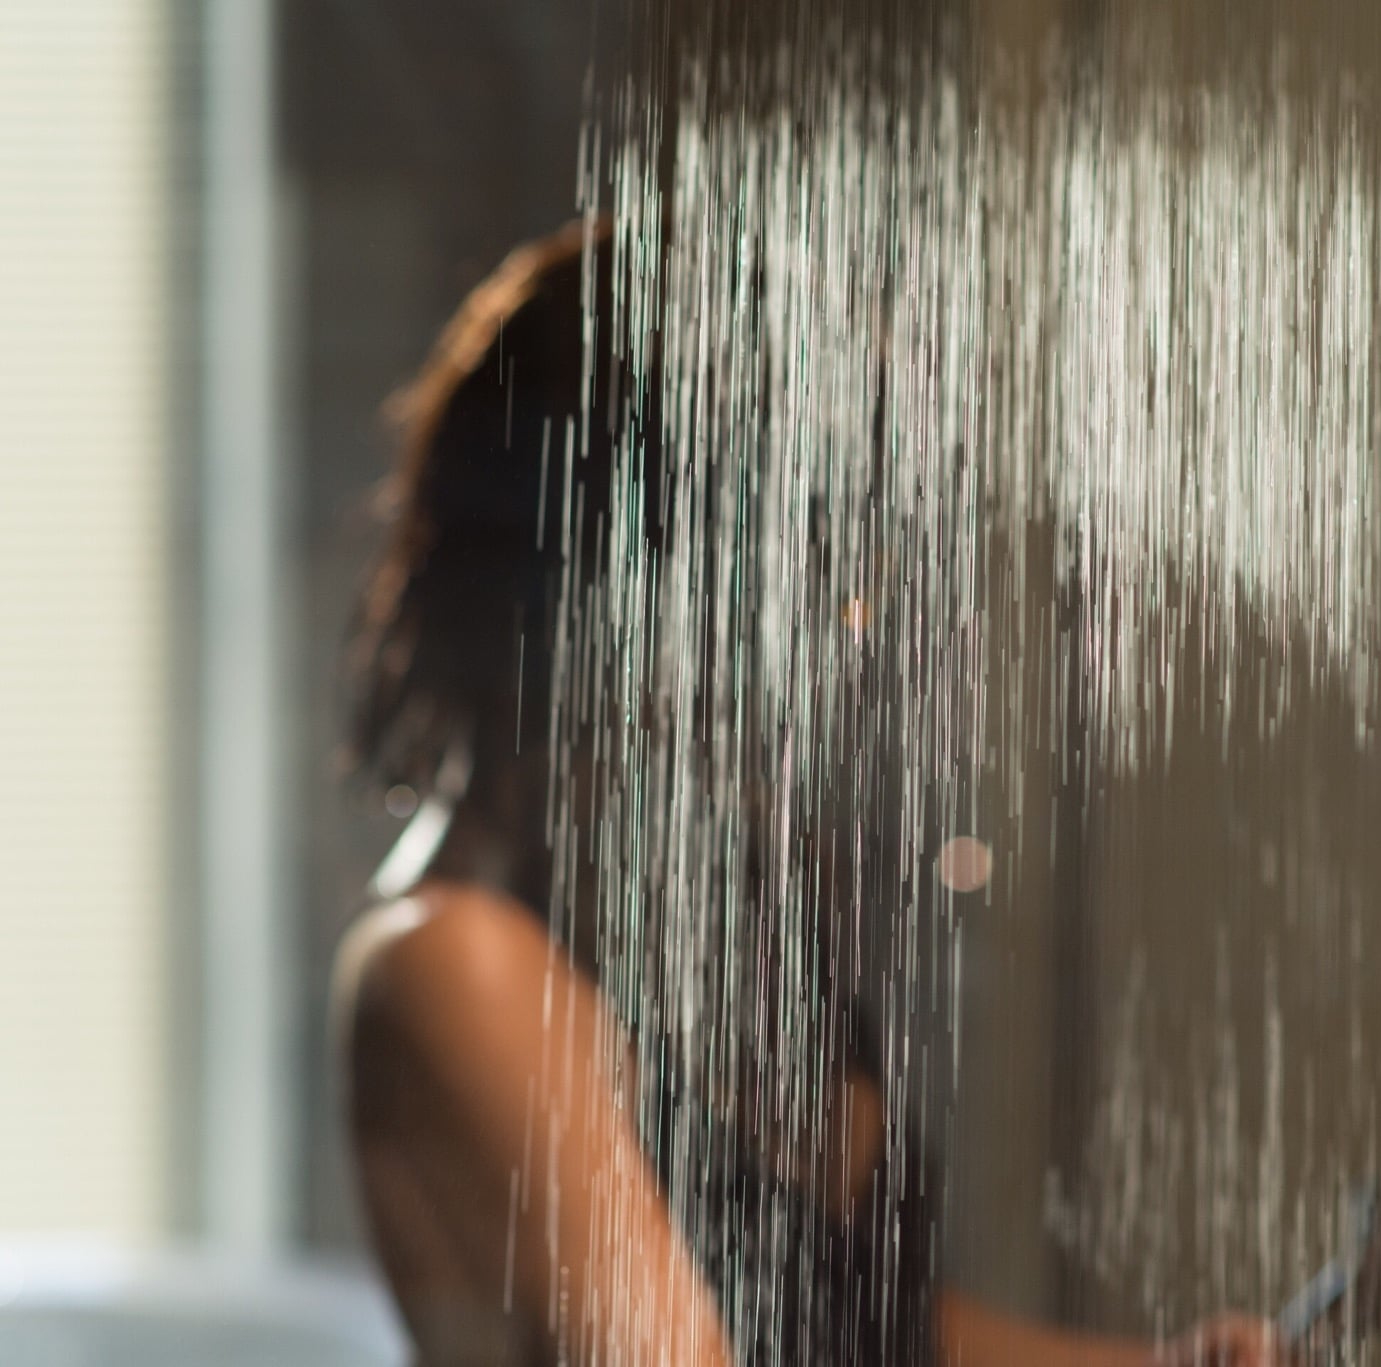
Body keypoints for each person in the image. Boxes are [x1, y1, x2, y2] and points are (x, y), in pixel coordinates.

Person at [332, 222, 1287, 1367]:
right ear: (609, 569)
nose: (846, 618)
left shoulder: (703, 905)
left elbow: (867, 1332)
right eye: (794, 546)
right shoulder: (458, 961)